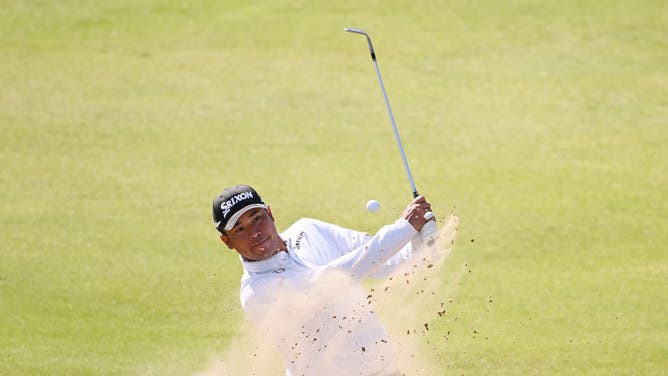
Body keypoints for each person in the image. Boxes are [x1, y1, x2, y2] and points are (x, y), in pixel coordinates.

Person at [212, 184, 436, 376]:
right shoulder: (257, 292)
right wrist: (403, 228)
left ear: (270, 213)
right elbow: (333, 279)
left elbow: (384, 262)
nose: (254, 232)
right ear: (227, 241)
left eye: (257, 218)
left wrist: (419, 243)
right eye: (239, 229)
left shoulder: (309, 230)